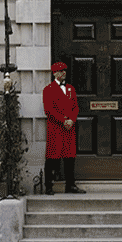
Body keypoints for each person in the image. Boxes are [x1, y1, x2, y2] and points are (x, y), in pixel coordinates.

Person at [42, 61, 85, 194]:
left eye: (65, 70)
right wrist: (63, 120)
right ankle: (48, 186)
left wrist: (72, 119)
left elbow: (75, 106)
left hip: (69, 128)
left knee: (69, 157)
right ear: (54, 73)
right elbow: (49, 109)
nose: (63, 73)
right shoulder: (48, 89)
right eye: (60, 71)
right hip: (56, 128)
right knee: (52, 157)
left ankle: (70, 185)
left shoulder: (71, 89)